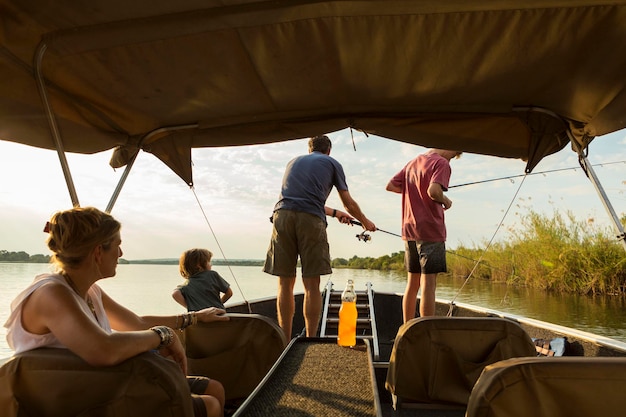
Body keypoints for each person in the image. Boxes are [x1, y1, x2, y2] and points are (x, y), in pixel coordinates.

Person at [4, 207, 229, 417]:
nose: (121, 253)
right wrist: (162, 335)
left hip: (103, 383)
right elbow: (103, 349)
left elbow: (137, 322)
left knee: (214, 388)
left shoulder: (90, 291)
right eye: (117, 245)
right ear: (98, 252)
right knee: (210, 404)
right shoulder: (51, 293)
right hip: (72, 398)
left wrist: (194, 317)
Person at [263, 134, 376, 339]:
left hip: (282, 215)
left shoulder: (293, 162)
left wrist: (334, 214)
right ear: (329, 150)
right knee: (311, 284)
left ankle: (284, 340)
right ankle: (310, 339)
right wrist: (366, 222)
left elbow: (300, 200)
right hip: (310, 219)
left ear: (309, 149)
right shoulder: (332, 162)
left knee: (284, 283)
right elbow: (348, 203)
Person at [386, 149, 462, 323]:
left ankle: (406, 329)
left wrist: (413, 191)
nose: (451, 160)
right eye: (453, 155)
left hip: (409, 228)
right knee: (428, 285)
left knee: (412, 283)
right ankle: (425, 332)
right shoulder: (441, 163)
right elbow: (434, 191)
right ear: (449, 148)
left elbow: (391, 186)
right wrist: (446, 200)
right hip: (431, 229)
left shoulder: (412, 162)